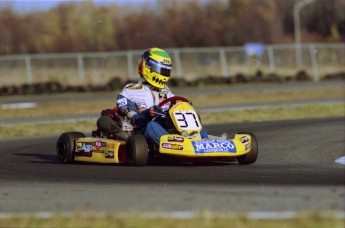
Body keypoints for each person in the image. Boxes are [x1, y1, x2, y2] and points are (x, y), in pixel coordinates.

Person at [96, 47, 209, 145]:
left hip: (166, 129)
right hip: (141, 134)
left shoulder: (167, 93)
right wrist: (148, 113)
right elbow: (133, 120)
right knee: (151, 126)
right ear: (147, 66)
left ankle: (202, 143)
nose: (163, 74)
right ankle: (177, 146)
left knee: (197, 126)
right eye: (161, 70)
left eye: (166, 71)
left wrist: (185, 108)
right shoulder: (129, 92)